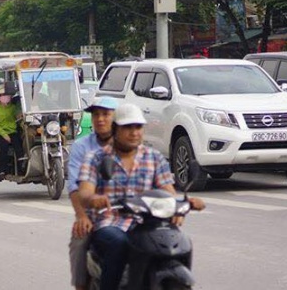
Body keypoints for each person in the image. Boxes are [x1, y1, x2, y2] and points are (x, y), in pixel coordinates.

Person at [78, 103, 206, 290]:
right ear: (115, 129)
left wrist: (179, 205)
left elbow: (167, 189)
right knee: (118, 243)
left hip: (150, 223)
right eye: (127, 127)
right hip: (112, 222)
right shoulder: (96, 158)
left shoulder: (154, 158)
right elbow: (85, 191)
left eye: (138, 127)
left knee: (181, 242)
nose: (134, 132)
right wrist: (93, 199)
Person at [67, 96, 117, 290]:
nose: (100, 119)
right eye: (96, 115)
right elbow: (74, 185)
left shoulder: (129, 145)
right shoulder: (82, 147)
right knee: (80, 240)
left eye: (106, 114)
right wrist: (81, 216)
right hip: (94, 214)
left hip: (128, 214)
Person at [0, 84, 25, 178]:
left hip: (12, 132)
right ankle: (2, 170)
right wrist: (4, 135)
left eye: (8, 96)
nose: (7, 97)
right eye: (4, 96)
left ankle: (21, 168)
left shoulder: (13, 107)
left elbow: (17, 115)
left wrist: (20, 116)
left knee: (19, 145)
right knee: (4, 146)